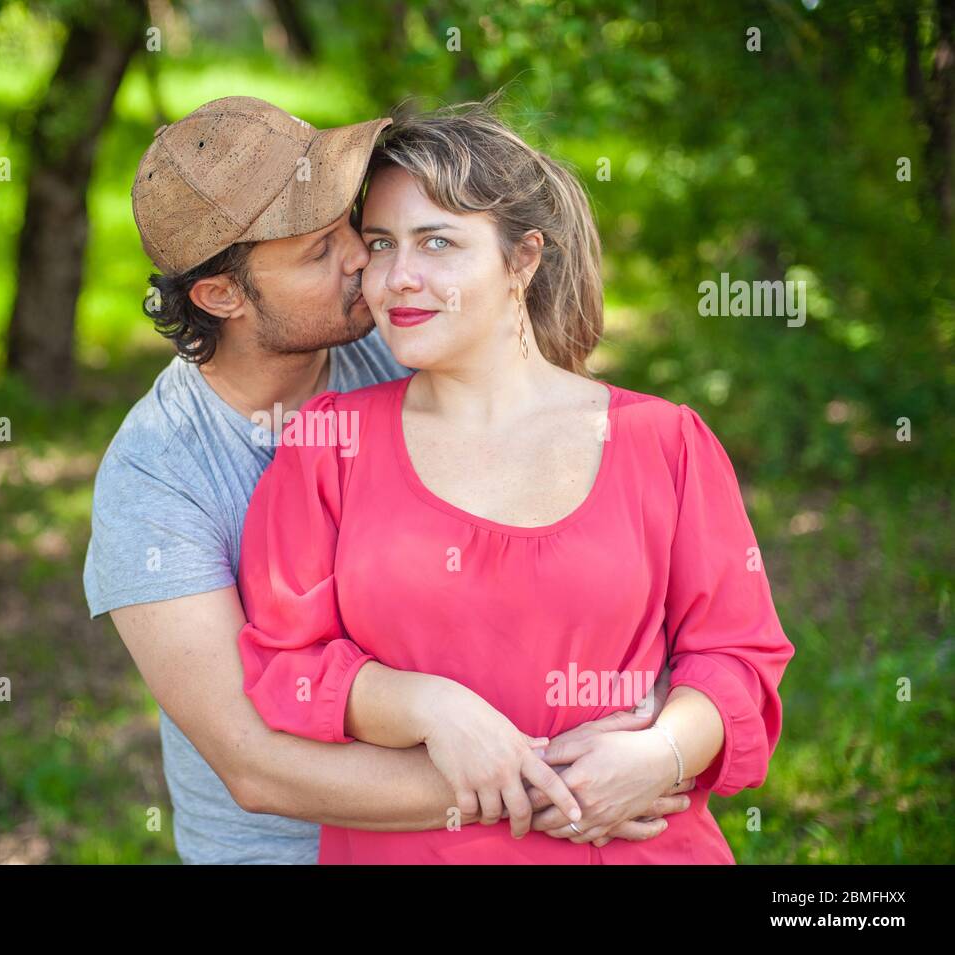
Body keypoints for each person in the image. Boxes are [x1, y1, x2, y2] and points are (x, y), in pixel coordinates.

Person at [85, 95, 693, 865]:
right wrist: (551, 783)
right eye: (316, 253)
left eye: (349, 227)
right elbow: (253, 763)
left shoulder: (398, 339)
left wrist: (654, 745)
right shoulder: (157, 475)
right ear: (222, 296)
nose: (363, 261)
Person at [235, 100, 796, 863]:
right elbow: (286, 665)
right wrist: (429, 706)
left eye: (437, 242)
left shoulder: (662, 441)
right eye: (380, 245)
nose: (399, 278)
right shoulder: (327, 447)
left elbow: (735, 657)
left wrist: (660, 752)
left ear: (523, 259)